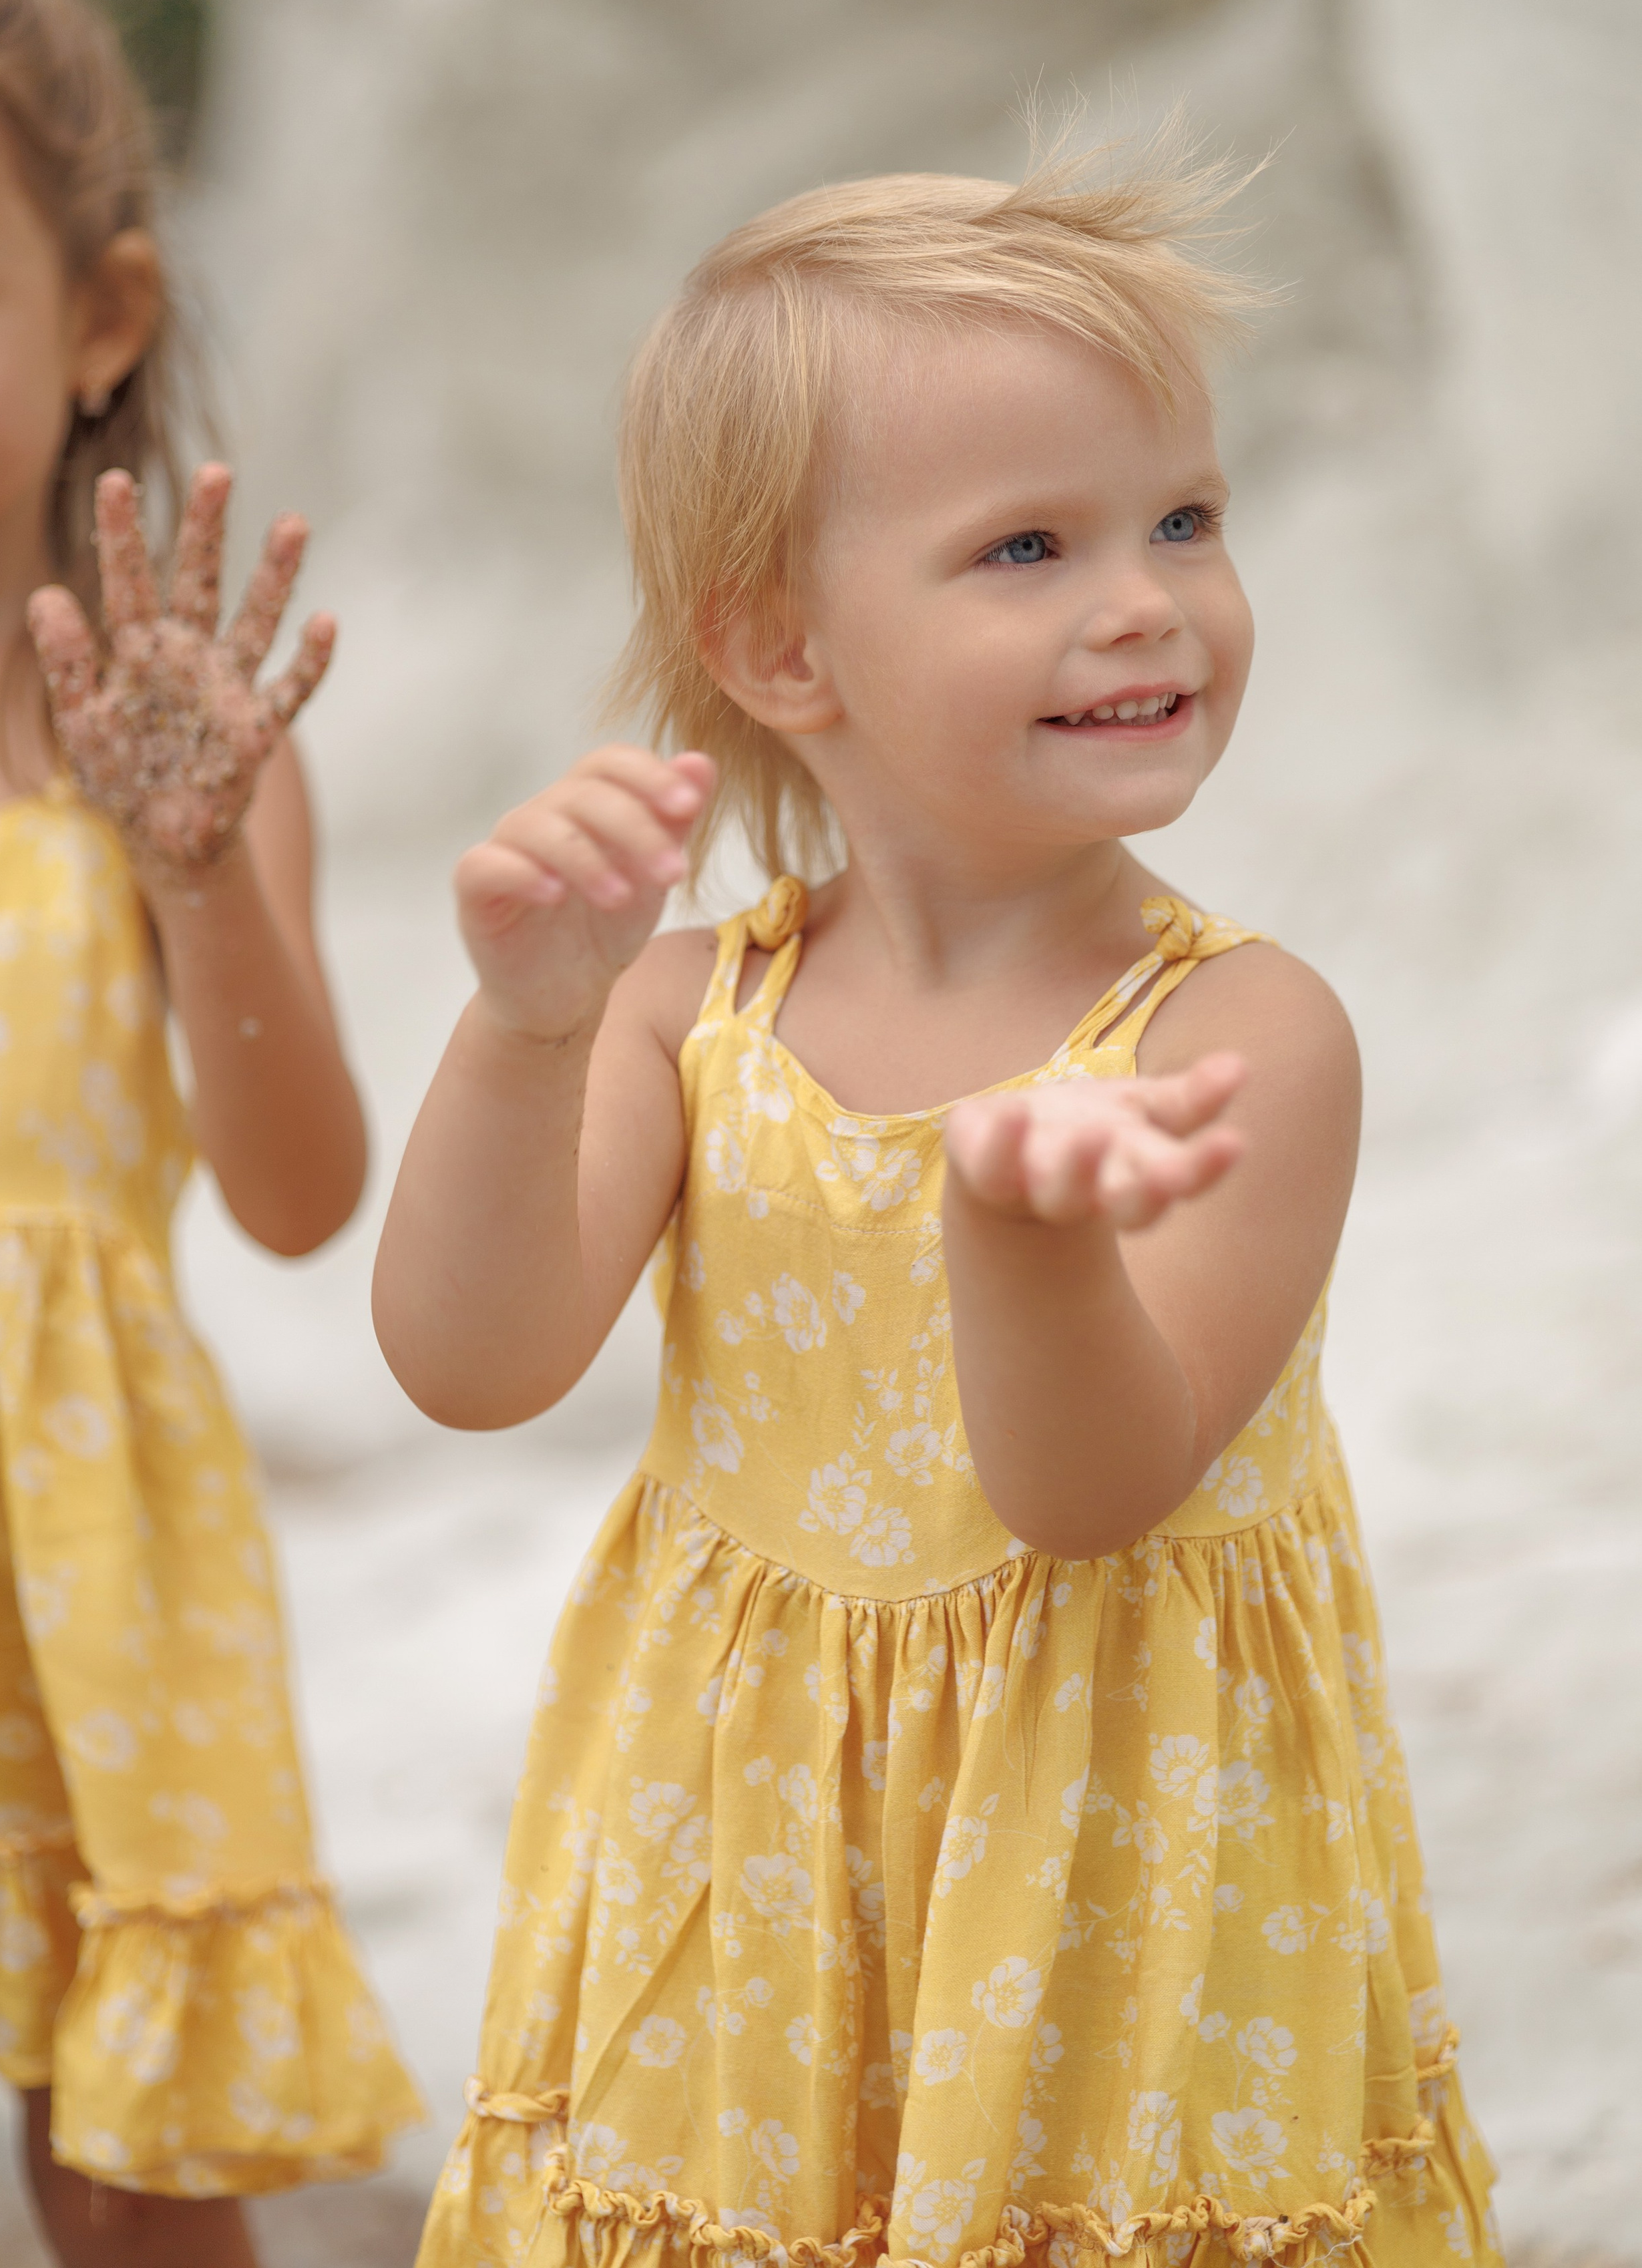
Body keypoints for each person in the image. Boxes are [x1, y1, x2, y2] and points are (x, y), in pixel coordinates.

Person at [378, 150, 1500, 2267]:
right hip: (760, 1854)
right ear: (784, 651)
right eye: (1027, 545)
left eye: (1185, 517)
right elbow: (469, 1362)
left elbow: (1092, 1490)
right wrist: (522, 1038)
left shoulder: (1240, 1035)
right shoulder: (682, 1011)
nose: (1148, 596)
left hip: (1111, 1871)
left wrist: (1030, 1236)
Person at [0, 0, 421, 2265]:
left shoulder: (157, 722)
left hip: (86, 1564)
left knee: (120, 2155)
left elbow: (305, 1196)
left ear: (102, 316)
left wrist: (199, 867)